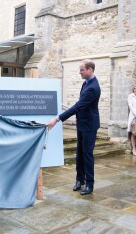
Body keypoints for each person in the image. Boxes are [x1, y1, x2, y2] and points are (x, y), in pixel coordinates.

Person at [47, 59, 101, 195]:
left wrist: (57, 119)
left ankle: (89, 183)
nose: (79, 72)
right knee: (80, 154)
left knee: (87, 155)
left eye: (82, 69)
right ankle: (79, 179)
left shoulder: (93, 88)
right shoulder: (86, 83)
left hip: (89, 125)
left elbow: (78, 106)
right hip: (82, 124)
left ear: (90, 70)